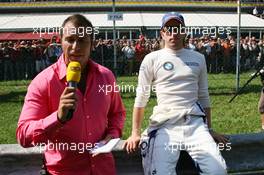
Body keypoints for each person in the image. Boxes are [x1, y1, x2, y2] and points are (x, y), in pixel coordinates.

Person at [16, 14, 126, 175]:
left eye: (82, 40)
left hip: (104, 169)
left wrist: (113, 133)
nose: (75, 47)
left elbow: (117, 113)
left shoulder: (106, 76)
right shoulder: (43, 81)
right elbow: (23, 135)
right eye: (70, 39)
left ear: (92, 44)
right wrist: (57, 118)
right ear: (60, 41)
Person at [124, 12, 228, 175]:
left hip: (195, 125)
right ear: (162, 33)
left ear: (184, 31)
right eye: (169, 29)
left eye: (178, 28)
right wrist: (135, 133)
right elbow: (141, 97)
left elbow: (203, 96)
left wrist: (209, 128)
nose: (174, 33)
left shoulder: (198, 58)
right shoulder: (151, 59)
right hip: (165, 125)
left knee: (218, 171)